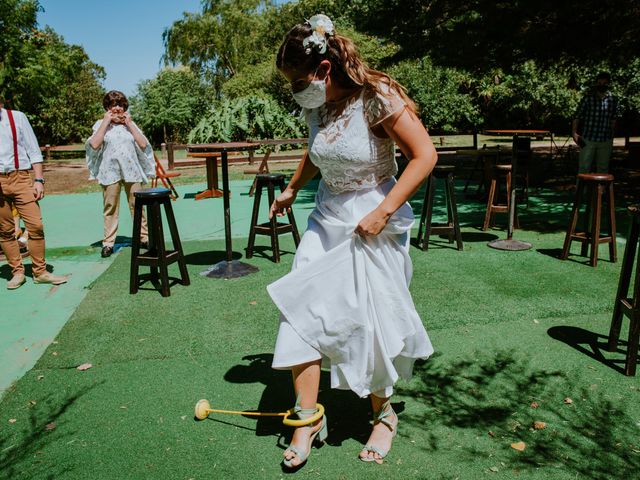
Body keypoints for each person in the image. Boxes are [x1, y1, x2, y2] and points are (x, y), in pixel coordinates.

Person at [267, 14, 437, 469]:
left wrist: (382, 213)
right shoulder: (316, 104)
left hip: (372, 220)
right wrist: (291, 189)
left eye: (298, 81)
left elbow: (425, 156)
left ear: (324, 70)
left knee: (370, 319)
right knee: (301, 307)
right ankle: (306, 418)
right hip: (326, 217)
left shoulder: (377, 96)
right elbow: (315, 151)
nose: (295, 91)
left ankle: (383, 415)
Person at [0, 99, 68, 289]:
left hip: (20, 177)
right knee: (5, 230)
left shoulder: (17, 118)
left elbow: (33, 150)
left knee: (35, 225)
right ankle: (17, 272)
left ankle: (40, 272)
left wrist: (38, 180)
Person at [86, 91, 155, 257]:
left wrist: (129, 124)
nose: (117, 108)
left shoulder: (130, 124)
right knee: (110, 207)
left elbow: (143, 144)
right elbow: (94, 145)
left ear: (124, 107)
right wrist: (106, 122)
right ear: (107, 107)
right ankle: (108, 242)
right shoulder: (101, 124)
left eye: (120, 104)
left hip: (131, 170)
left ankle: (143, 237)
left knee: (137, 205)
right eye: (113, 105)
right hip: (110, 171)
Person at [572, 71, 620, 174]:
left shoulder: (613, 100)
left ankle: (600, 190)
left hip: (605, 140)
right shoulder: (588, 98)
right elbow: (577, 116)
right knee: (584, 169)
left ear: (608, 84)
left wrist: (612, 136)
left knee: (603, 170)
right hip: (587, 139)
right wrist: (574, 133)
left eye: (604, 83)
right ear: (596, 83)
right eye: (599, 83)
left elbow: (614, 120)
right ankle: (582, 190)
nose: (601, 85)